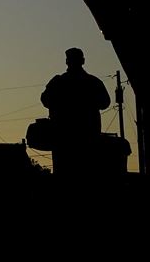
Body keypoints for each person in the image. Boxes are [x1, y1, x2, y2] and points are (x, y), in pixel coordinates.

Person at [40, 47, 111, 181]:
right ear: (83, 61)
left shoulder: (58, 82)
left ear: (67, 61)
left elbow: (45, 99)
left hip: (65, 140)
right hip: (86, 139)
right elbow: (105, 102)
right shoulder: (93, 82)